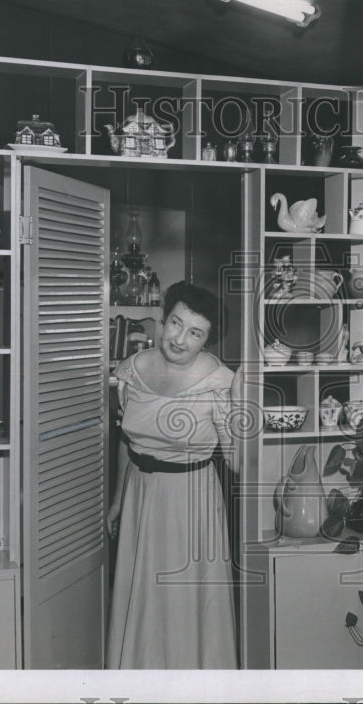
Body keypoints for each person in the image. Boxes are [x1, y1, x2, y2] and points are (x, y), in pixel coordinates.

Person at [106, 280, 243, 669]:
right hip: (139, 496)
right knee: (142, 597)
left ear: (207, 341)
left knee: (184, 606)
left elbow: (236, 462)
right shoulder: (132, 370)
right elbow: (126, 440)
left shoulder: (221, 383)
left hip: (190, 501)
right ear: (162, 321)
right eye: (175, 324)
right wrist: (118, 500)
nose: (180, 339)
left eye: (195, 333)